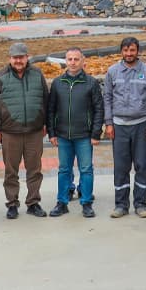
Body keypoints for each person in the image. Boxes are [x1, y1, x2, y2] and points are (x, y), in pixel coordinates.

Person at [0, 42, 49, 219]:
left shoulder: (37, 75)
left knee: (34, 170)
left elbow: (47, 100)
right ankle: (12, 203)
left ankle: (33, 202)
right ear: (10, 59)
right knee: (11, 171)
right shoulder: (0, 77)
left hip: (34, 132)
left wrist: (46, 124)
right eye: (15, 58)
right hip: (9, 132)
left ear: (27, 57)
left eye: (21, 57)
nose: (18, 60)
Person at [104, 37, 146, 219]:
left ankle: (140, 204)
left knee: (142, 165)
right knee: (121, 167)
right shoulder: (112, 72)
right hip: (119, 127)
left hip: (141, 126)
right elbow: (107, 98)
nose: (129, 53)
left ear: (138, 51)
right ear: (121, 51)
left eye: (133, 50)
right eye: (126, 50)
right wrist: (109, 123)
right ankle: (121, 205)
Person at [47, 47, 104, 218]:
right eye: (70, 59)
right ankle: (62, 202)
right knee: (64, 169)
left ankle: (86, 202)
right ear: (65, 61)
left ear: (82, 61)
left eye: (76, 59)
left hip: (84, 136)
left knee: (86, 169)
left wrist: (95, 133)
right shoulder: (58, 83)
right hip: (63, 135)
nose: (72, 62)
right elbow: (51, 109)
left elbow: (98, 109)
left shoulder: (91, 83)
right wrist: (52, 132)